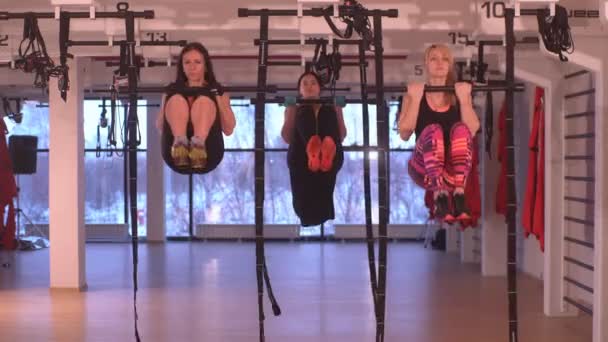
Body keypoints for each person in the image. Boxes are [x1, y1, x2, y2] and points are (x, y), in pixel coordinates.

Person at [398, 44, 480, 221]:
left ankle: (458, 193)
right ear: (426, 64)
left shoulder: (457, 96)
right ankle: (439, 195)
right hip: (424, 171)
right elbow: (404, 134)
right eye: (434, 58)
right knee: (434, 130)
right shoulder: (413, 95)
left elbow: (472, 131)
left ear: (450, 65)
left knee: (461, 129)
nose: (439, 63)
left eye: (445, 59)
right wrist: (415, 99)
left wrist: (465, 100)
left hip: (451, 173)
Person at [156, 42, 236, 173]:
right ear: (182, 67)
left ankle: (198, 146)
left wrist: (216, 96)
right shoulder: (171, 90)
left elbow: (228, 129)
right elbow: (160, 127)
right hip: (174, 156)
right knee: (177, 99)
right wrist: (167, 97)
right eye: (187, 62)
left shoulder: (217, 90)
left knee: (204, 101)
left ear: (205, 66)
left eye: (197, 62)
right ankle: (180, 144)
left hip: (209, 153)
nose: (192, 67)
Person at [281, 71, 347, 226]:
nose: (309, 86)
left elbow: (341, 135)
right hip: (302, 158)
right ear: (299, 90)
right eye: (305, 83)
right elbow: (287, 137)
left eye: (313, 83)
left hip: (326, 160)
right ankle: (313, 149)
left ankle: (322, 153)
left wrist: (338, 109)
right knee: (305, 112)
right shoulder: (297, 109)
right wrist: (291, 109)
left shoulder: (329, 109)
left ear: (319, 89)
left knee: (325, 112)